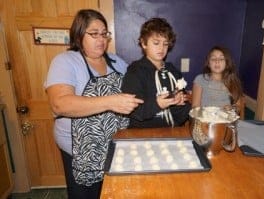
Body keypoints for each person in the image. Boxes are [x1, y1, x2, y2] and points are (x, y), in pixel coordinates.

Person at [44, 9, 143, 199]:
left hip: (114, 146)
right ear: (79, 34)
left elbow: (136, 91)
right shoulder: (65, 61)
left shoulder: (116, 62)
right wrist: (110, 102)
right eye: (94, 33)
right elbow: (60, 104)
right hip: (81, 151)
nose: (101, 39)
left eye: (104, 33)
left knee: (112, 193)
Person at [121, 17, 191, 128]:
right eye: (156, 43)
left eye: (165, 44)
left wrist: (179, 104)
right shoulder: (135, 71)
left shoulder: (173, 71)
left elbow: (183, 115)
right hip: (142, 134)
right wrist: (157, 104)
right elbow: (133, 111)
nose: (161, 48)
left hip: (171, 132)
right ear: (144, 44)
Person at [191, 45, 243, 113]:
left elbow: (238, 107)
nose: (217, 61)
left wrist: (232, 109)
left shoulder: (233, 81)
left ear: (227, 63)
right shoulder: (200, 79)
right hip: (205, 120)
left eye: (221, 59)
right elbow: (195, 107)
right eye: (213, 59)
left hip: (226, 120)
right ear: (208, 63)